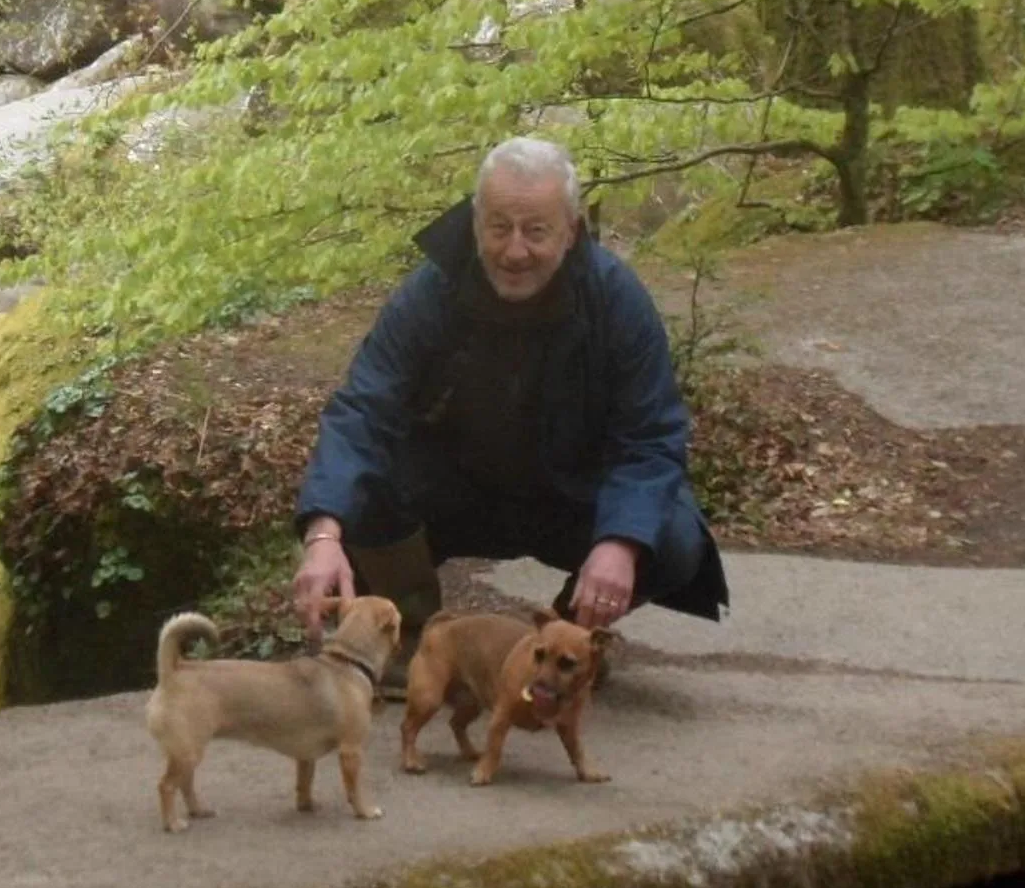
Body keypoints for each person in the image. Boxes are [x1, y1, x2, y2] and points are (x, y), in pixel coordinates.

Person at [289, 135, 728, 654]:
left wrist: (621, 542)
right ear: (476, 223)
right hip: (458, 492)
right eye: (499, 227)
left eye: (536, 231)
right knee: (358, 493)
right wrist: (322, 534)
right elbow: (363, 410)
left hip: (572, 497)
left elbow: (650, 438)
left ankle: (562, 643)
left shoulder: (616, 301)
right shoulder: (431, 293)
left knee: (670, 537)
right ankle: (410, 635)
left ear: (571, 231)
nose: (514, 251)